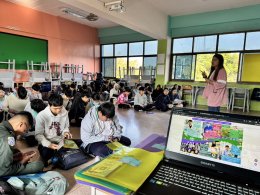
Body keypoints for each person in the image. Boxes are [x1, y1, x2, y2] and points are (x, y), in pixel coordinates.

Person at [0, 111, 44, 177]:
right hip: (2, 171)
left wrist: (14, 156)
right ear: (21, 124)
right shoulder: (9, 139)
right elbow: (3, 171)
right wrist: (22, 161)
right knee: (38, 165)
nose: (23, 134)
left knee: (17, 152)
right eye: (25, 131)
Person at [35, 93, 72, 166]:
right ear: (49, 105)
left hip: (60, 141)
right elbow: (38, 135)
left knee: (72, 150)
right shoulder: (41, 116)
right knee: (46, 154)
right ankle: (53, 157)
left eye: (60, 107)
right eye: (55, 108)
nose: (58, 110)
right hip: (48, 141)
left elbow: (66, 127)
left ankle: (55, 157)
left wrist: (66, 132)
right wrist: (48, 144)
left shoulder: (65, 113)